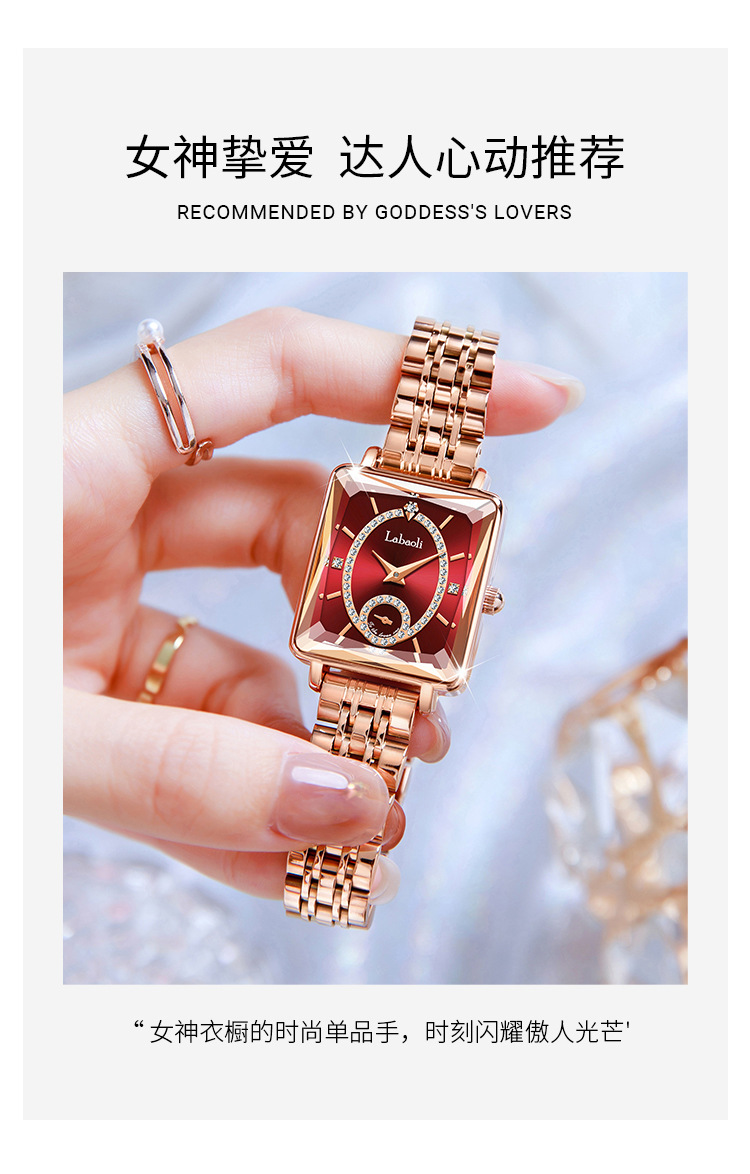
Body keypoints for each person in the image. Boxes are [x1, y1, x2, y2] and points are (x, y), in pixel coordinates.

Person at [63, 307, 584, 907]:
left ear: (476, 600)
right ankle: (330, 882)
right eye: (388, 568)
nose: (395, 575)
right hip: (368, 651)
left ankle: (331, 884)